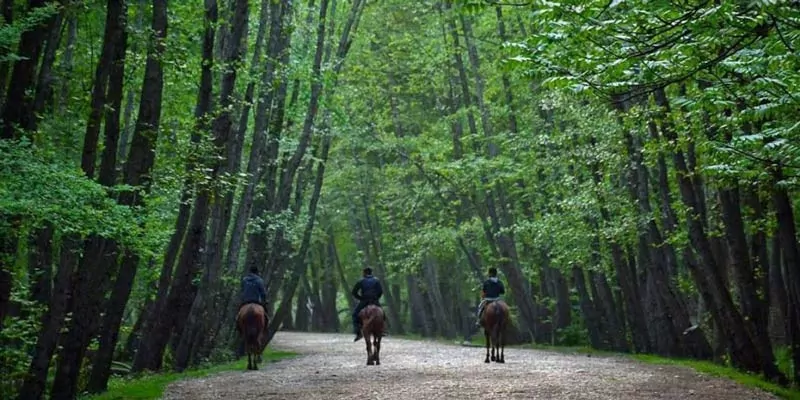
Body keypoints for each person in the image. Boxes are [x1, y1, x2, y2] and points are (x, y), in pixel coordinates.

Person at [351, 267, 383, 342]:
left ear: (364, 273)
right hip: (374, 301)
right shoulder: (376, 280)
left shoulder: (361, 281)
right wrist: (376, 298)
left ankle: (358, 332)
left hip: (364, 301)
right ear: (371, 273)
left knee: (355, 314)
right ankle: (382, 330)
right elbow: (380, 291)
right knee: (382, 314)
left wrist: (360, 298)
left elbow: (354, 292)